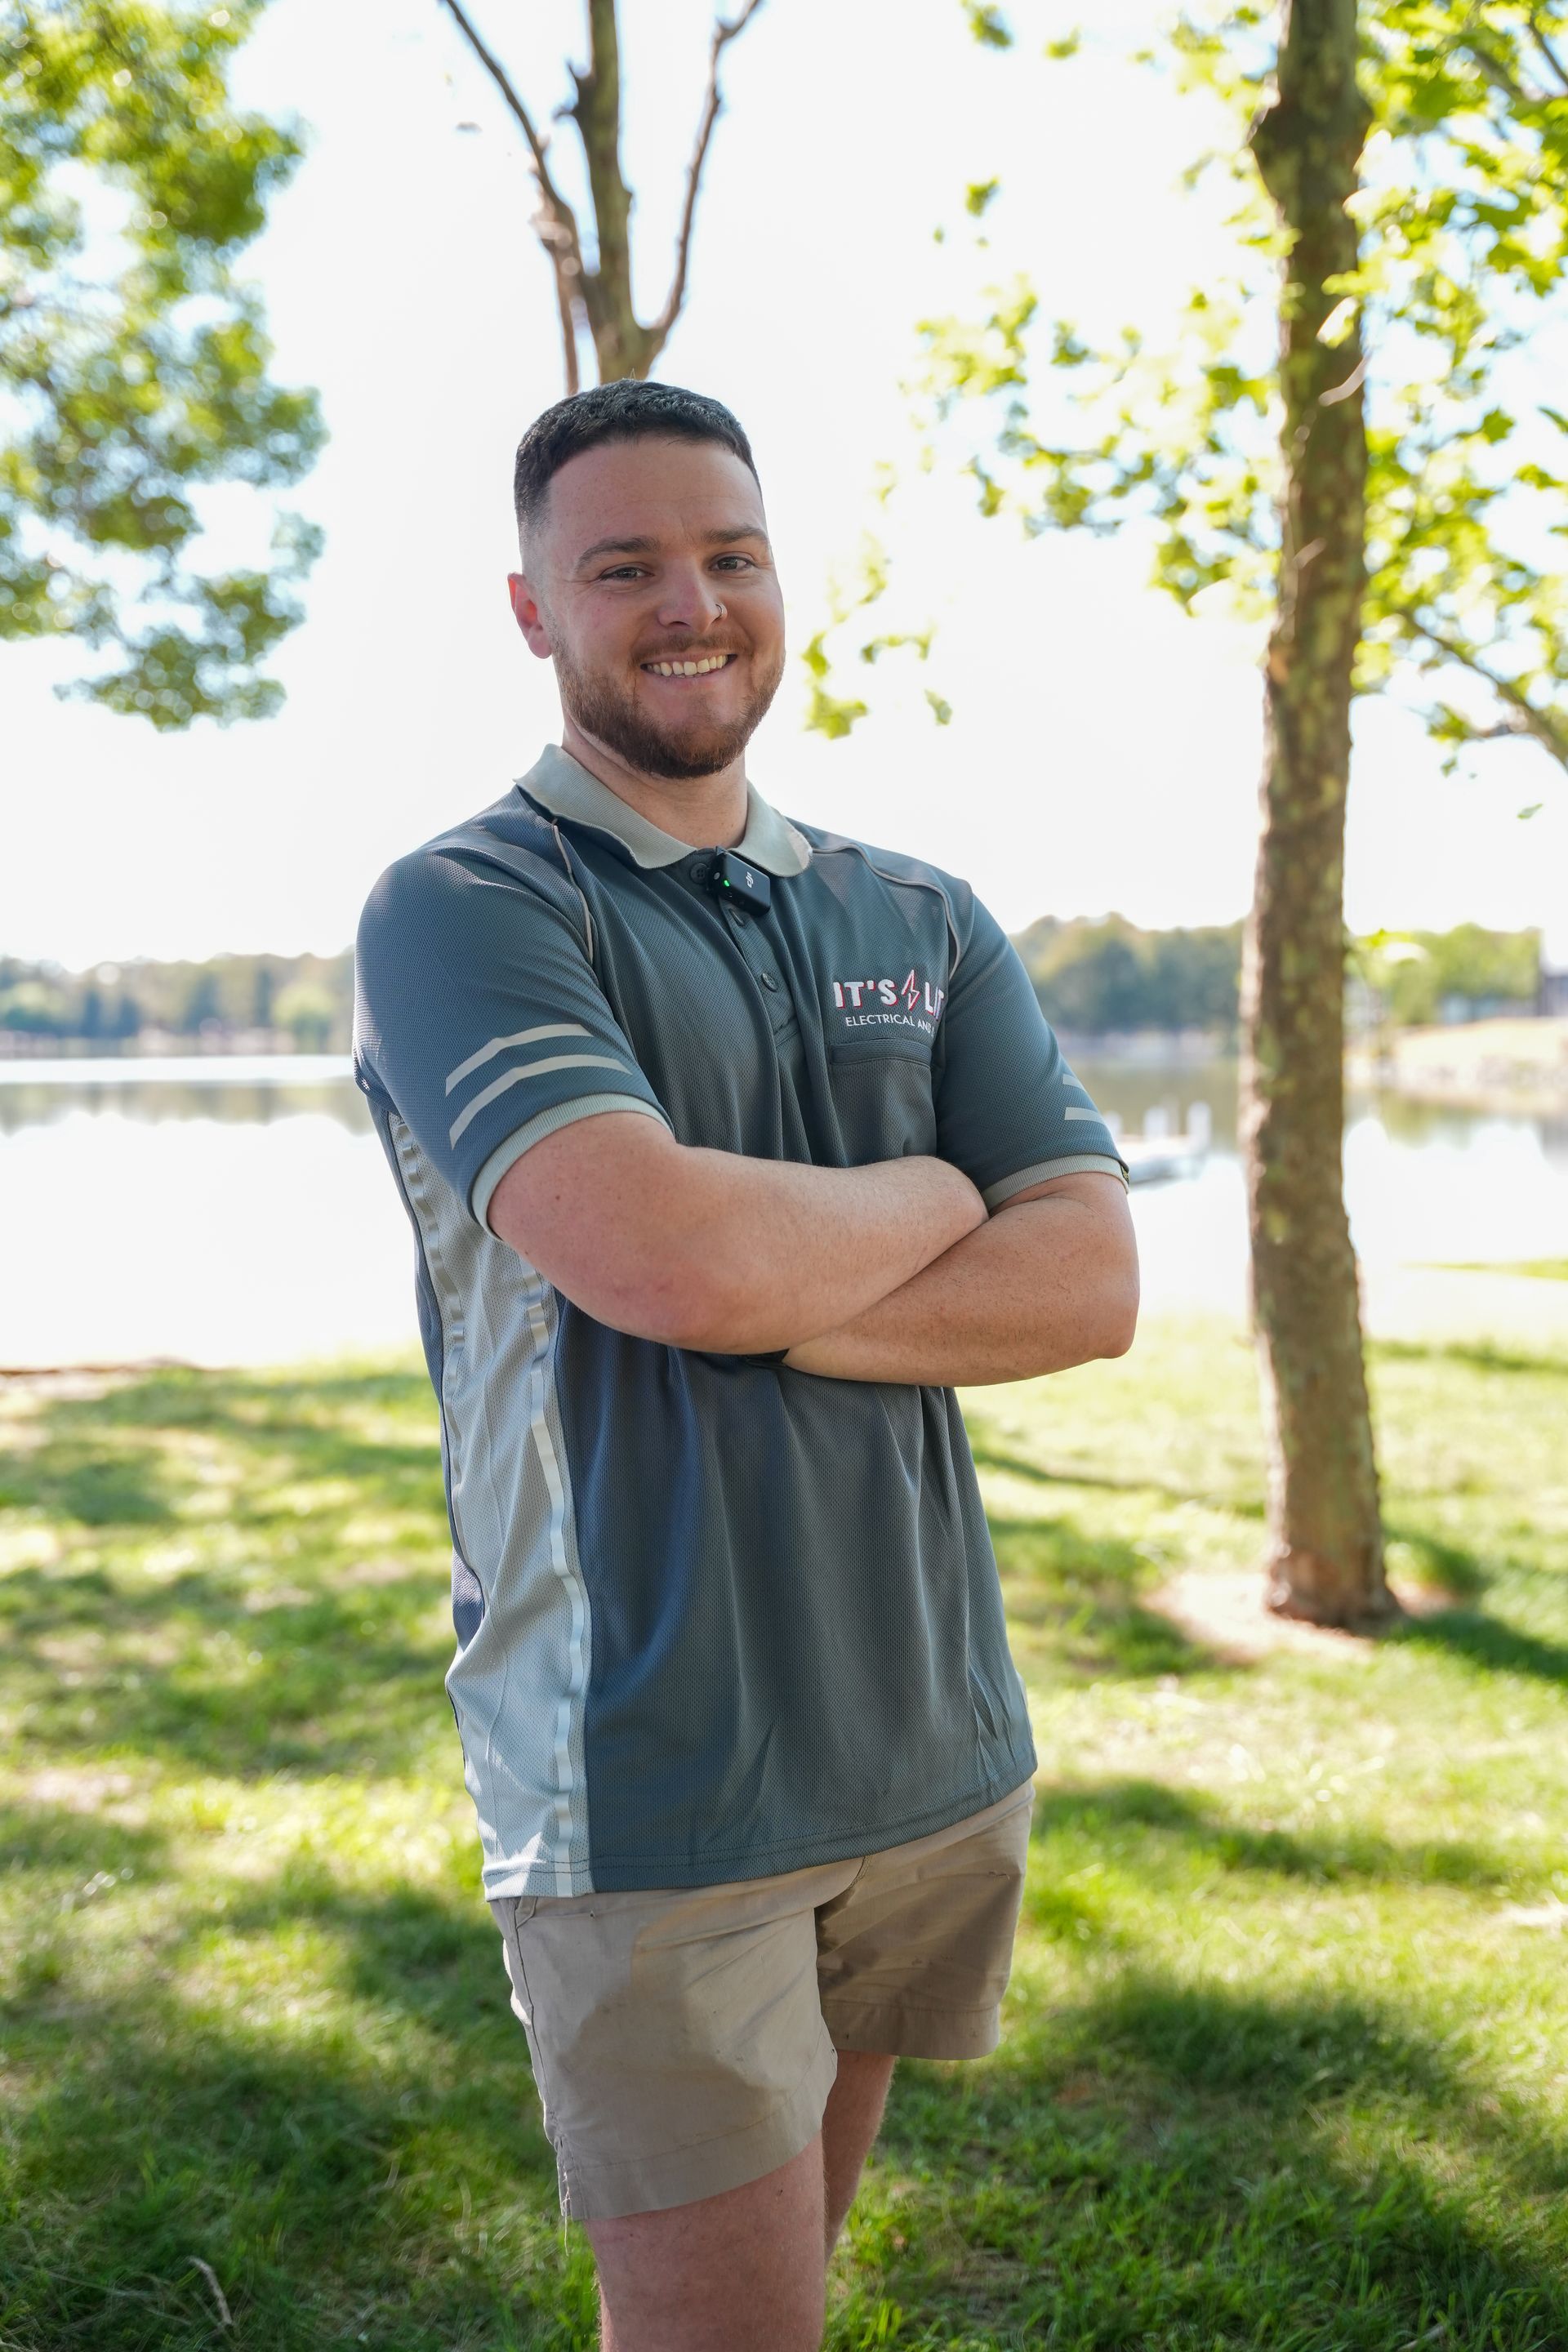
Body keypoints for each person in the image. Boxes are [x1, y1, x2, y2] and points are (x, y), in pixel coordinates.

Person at [353, 379, 1138, 2352]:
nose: (691, 605)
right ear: (533, 610)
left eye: (731, 557)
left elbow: (1090, 1283)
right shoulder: (467, 905)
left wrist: (751, 1282)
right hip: (653, 1772)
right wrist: (941, 1192)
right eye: (624, 568)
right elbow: (659, 1253)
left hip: (927, 1737)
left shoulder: (919, 912)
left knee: (801, 2289)